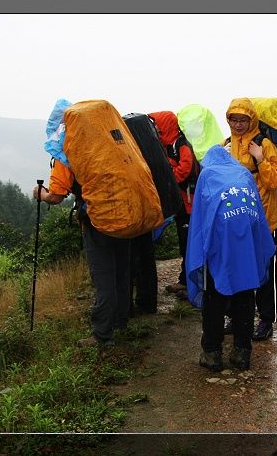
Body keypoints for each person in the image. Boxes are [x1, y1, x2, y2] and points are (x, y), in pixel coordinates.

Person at [185, 145, 277, 371]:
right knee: (245, 293)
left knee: (214, 295)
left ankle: (212, 352)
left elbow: (199, 216)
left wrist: (199, 249)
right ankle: (242, 353)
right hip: (246, 238)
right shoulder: (244, 173)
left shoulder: (207, 174)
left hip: (220, 239)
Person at [33, 159, 131, 347]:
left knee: (103, 278)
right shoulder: (111, 137)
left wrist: (41, 194)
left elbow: (56, 196)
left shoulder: (71, 146)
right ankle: (120, 323)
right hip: (123, 212)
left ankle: (102, 335)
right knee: (121, 272)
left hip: (96, 219)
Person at [224, 98, 277, 341]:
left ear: (252, 120)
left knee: (265, 271)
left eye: (243, 120)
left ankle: (266, 319)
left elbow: (276, 180)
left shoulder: (264, 143)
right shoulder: (226, 144)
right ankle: (234, 316)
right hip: (236, 218)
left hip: (263, 218)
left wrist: (260, 159)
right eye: (234, 119)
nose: (238, 124)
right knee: (235, 267)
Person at [148, 111, 197, 301]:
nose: (157, 131)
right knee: (184, 244)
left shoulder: (181, 144)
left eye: (159, 127)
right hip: (180, 205)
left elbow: (185, 169)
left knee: (188, 245)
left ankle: (191, 285)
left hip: (189, 205)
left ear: (167, 126)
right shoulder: (167, 146)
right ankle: (185, 281)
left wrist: (168, 180)